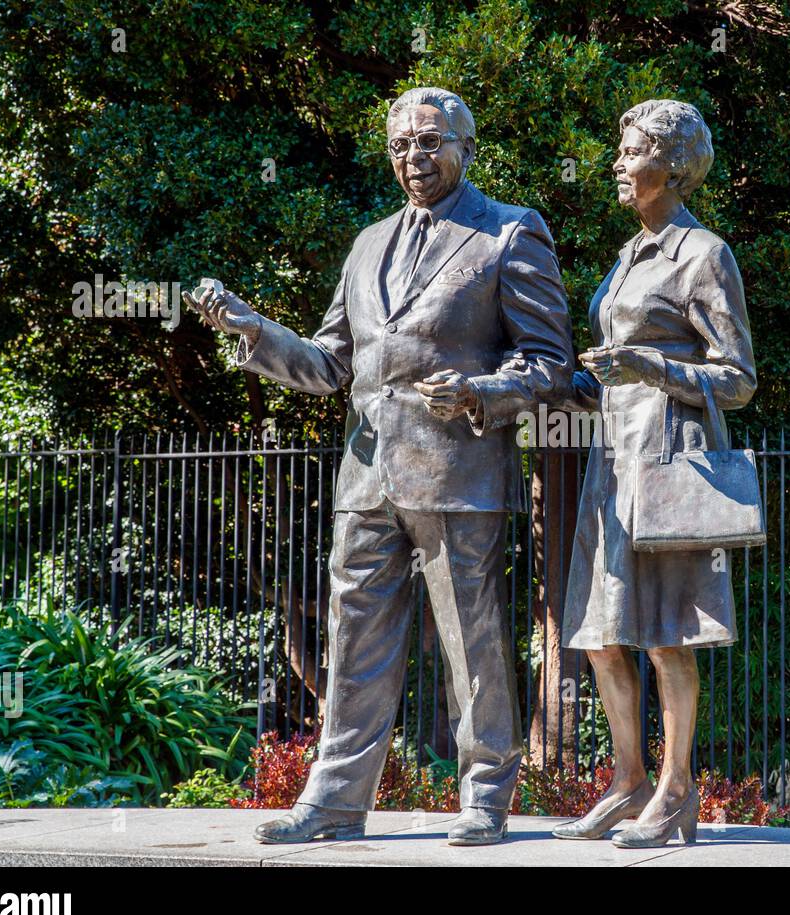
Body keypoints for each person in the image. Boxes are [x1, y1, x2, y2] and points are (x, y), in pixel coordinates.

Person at [183, 87, 572, 846]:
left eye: (429, 143)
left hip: (459, 475)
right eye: (400, 147)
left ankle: (486, 795)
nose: (414, 159)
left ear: (465, 146)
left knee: (475, 645)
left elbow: (550, 363)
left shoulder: (509, 233)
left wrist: (481, 390)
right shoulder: (367, 245)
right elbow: (331, 365)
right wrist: (254, 329)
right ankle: (333, 801)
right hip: (366, 478)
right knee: (354, 644)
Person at [554, 99, 756, 848]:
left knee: (667, 636)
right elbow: (614, 371)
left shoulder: (704, 254)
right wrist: (564, 382)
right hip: (613, 461)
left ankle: (676, 794)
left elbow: (737, 378)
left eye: (630, 150)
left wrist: (650, 366)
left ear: (671, 167)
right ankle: (627, 782)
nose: (616, 162)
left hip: (671, 460)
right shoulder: (628, 255)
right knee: (602, 634)